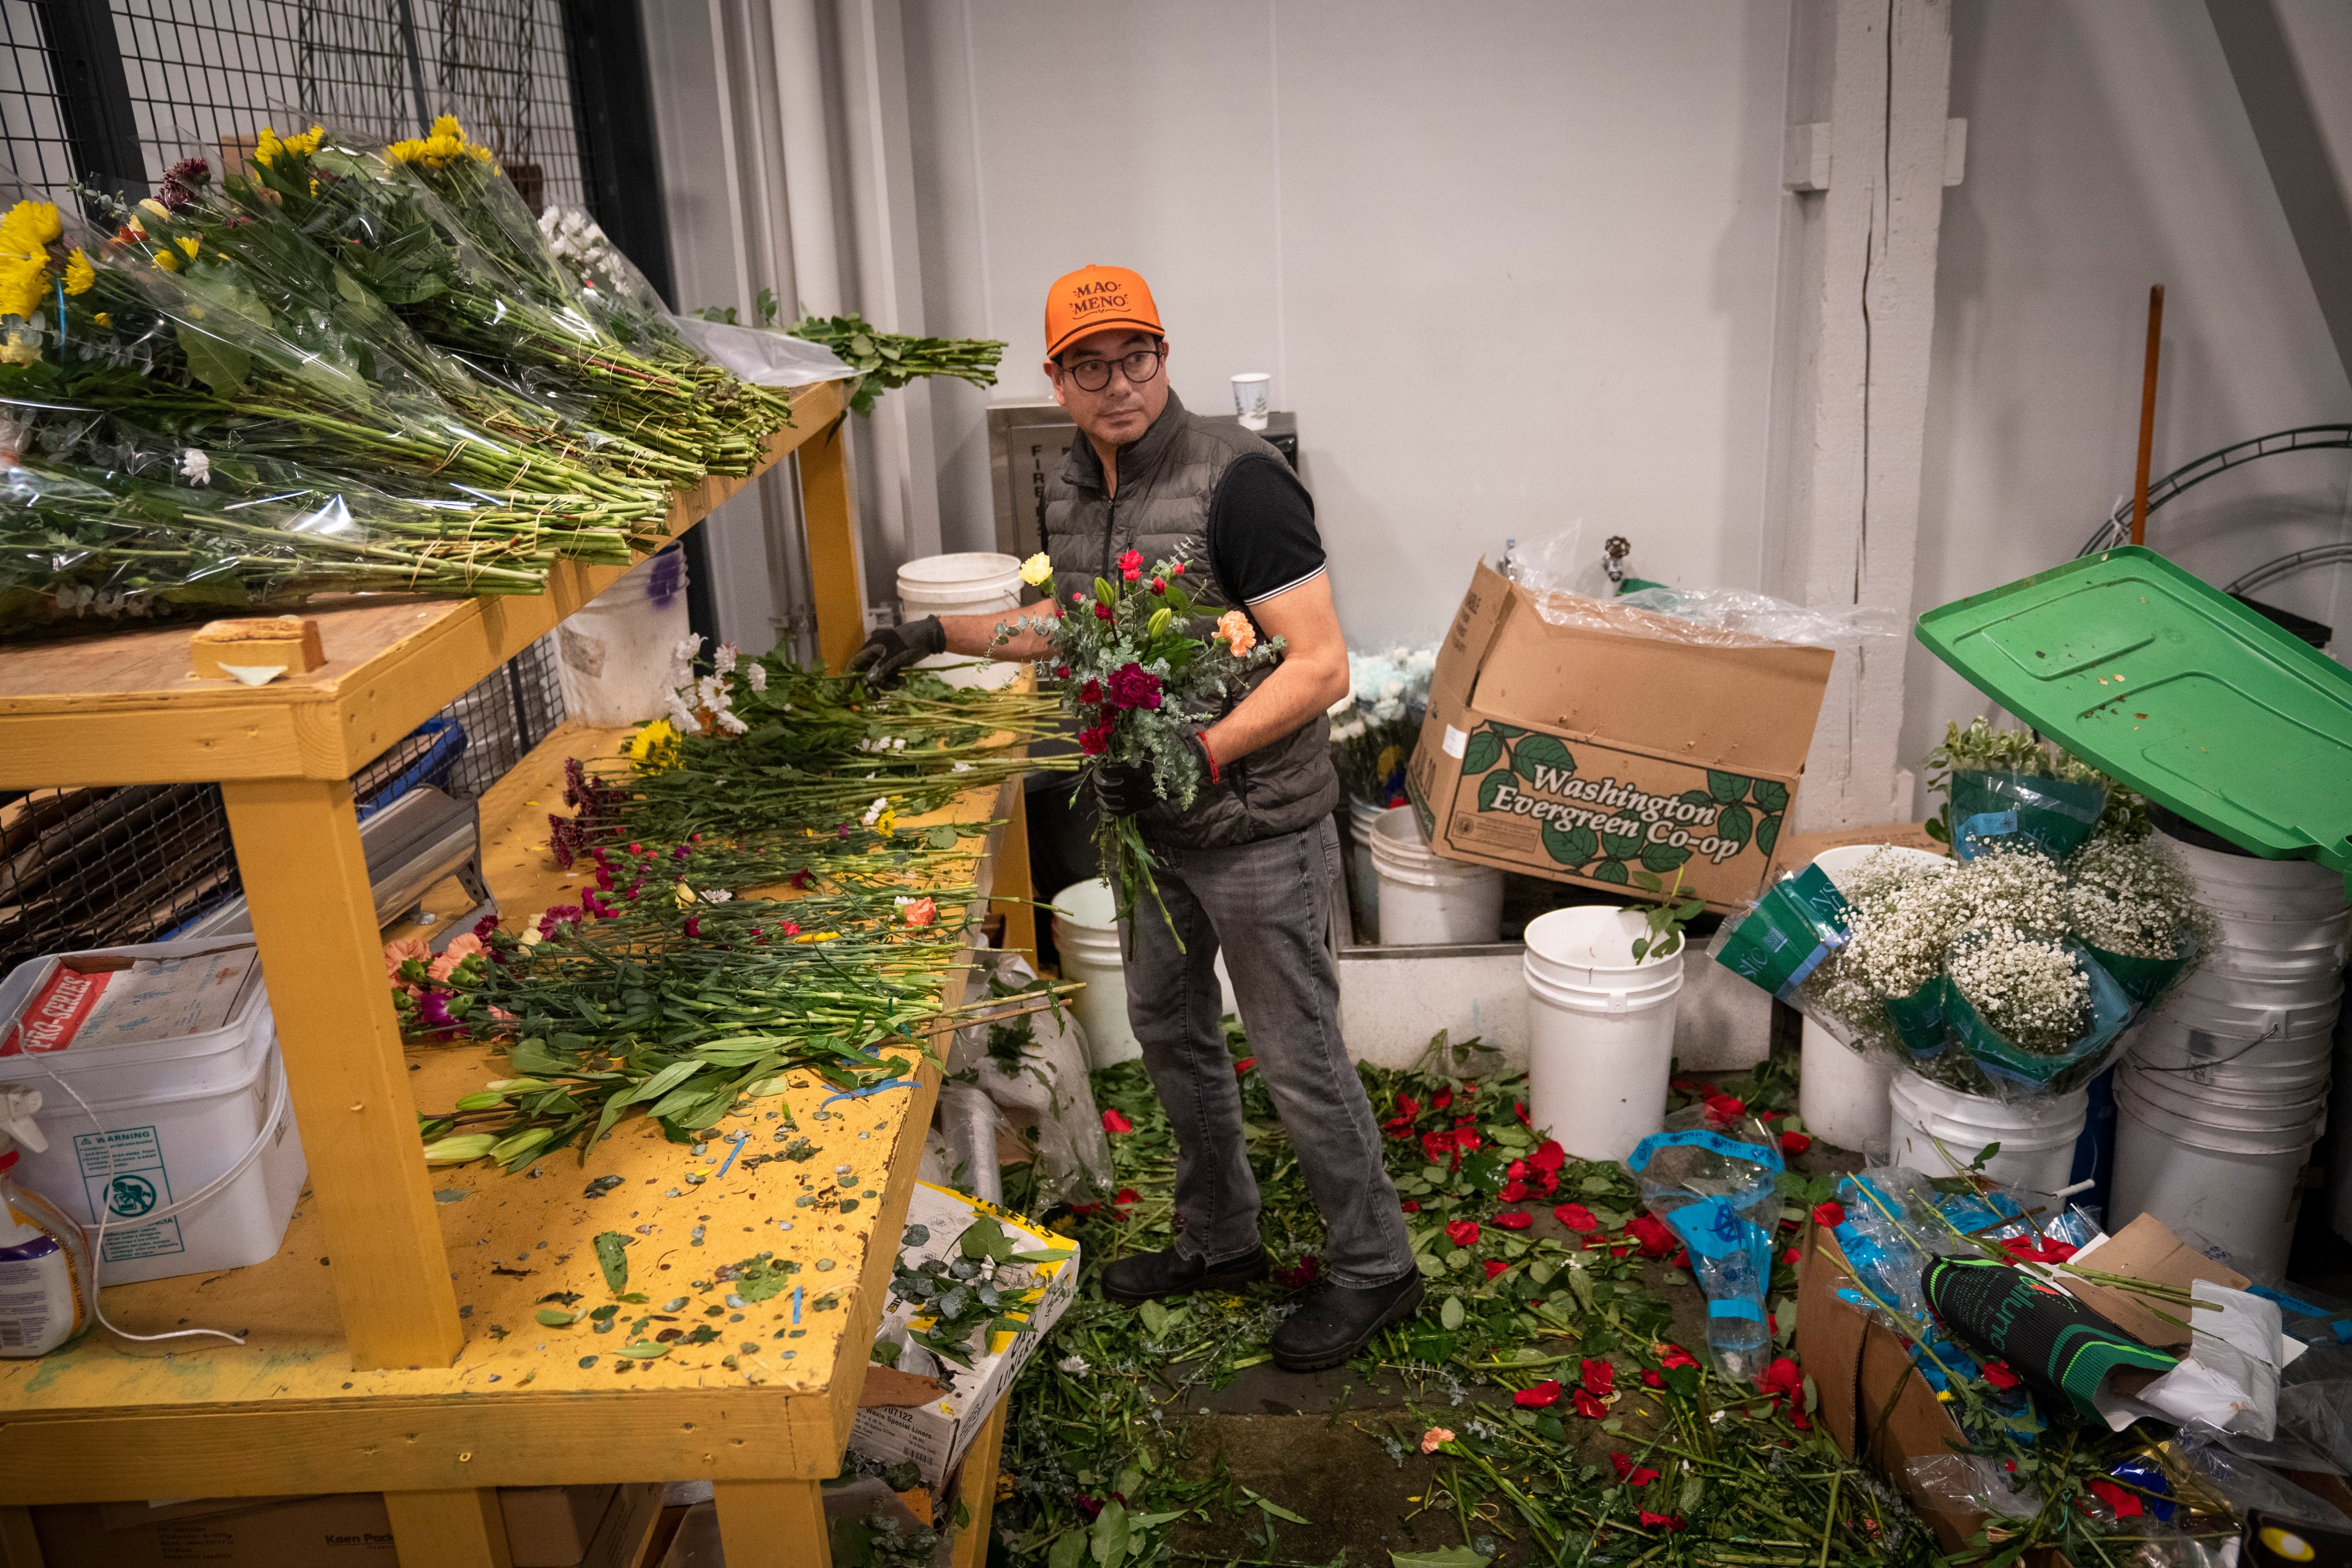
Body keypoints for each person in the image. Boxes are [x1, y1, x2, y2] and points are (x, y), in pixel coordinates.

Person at [851, 265, 1421, 1370]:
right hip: (1153, 834)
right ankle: (1220, 1237)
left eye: (1138, 356)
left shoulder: (1239, 483)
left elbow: (1322, 666)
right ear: (1057, 379)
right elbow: (1071, 623)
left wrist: (1193, 752)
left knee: (1298, 1057)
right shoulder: (1070, 488)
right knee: (1171, 1035)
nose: (1120, 385)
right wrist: (934, 640)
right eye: (1091, 365)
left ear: (1165, 354)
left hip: (1257, 828)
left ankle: (1375, 1268)